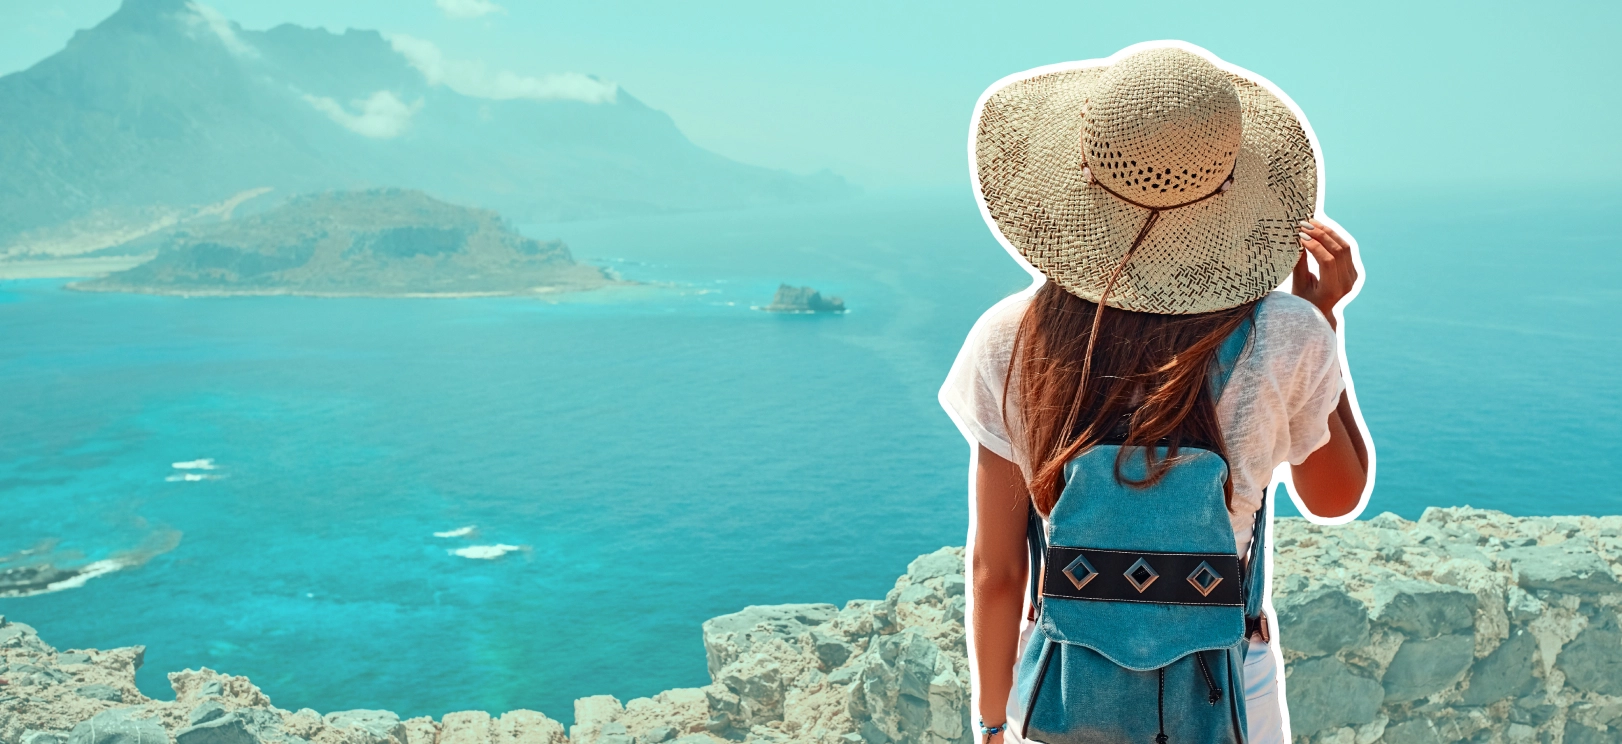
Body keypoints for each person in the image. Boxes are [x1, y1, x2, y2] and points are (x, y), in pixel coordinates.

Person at [939, 44, 1372, 744]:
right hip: (1230, 683)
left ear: (1080, 177)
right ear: (1230, 187)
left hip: (1065, 689)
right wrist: (1323, 318)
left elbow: (996, 569)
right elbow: (1335, 496)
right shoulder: (1283, 332)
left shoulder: (1011, 337)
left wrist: (994, 725)